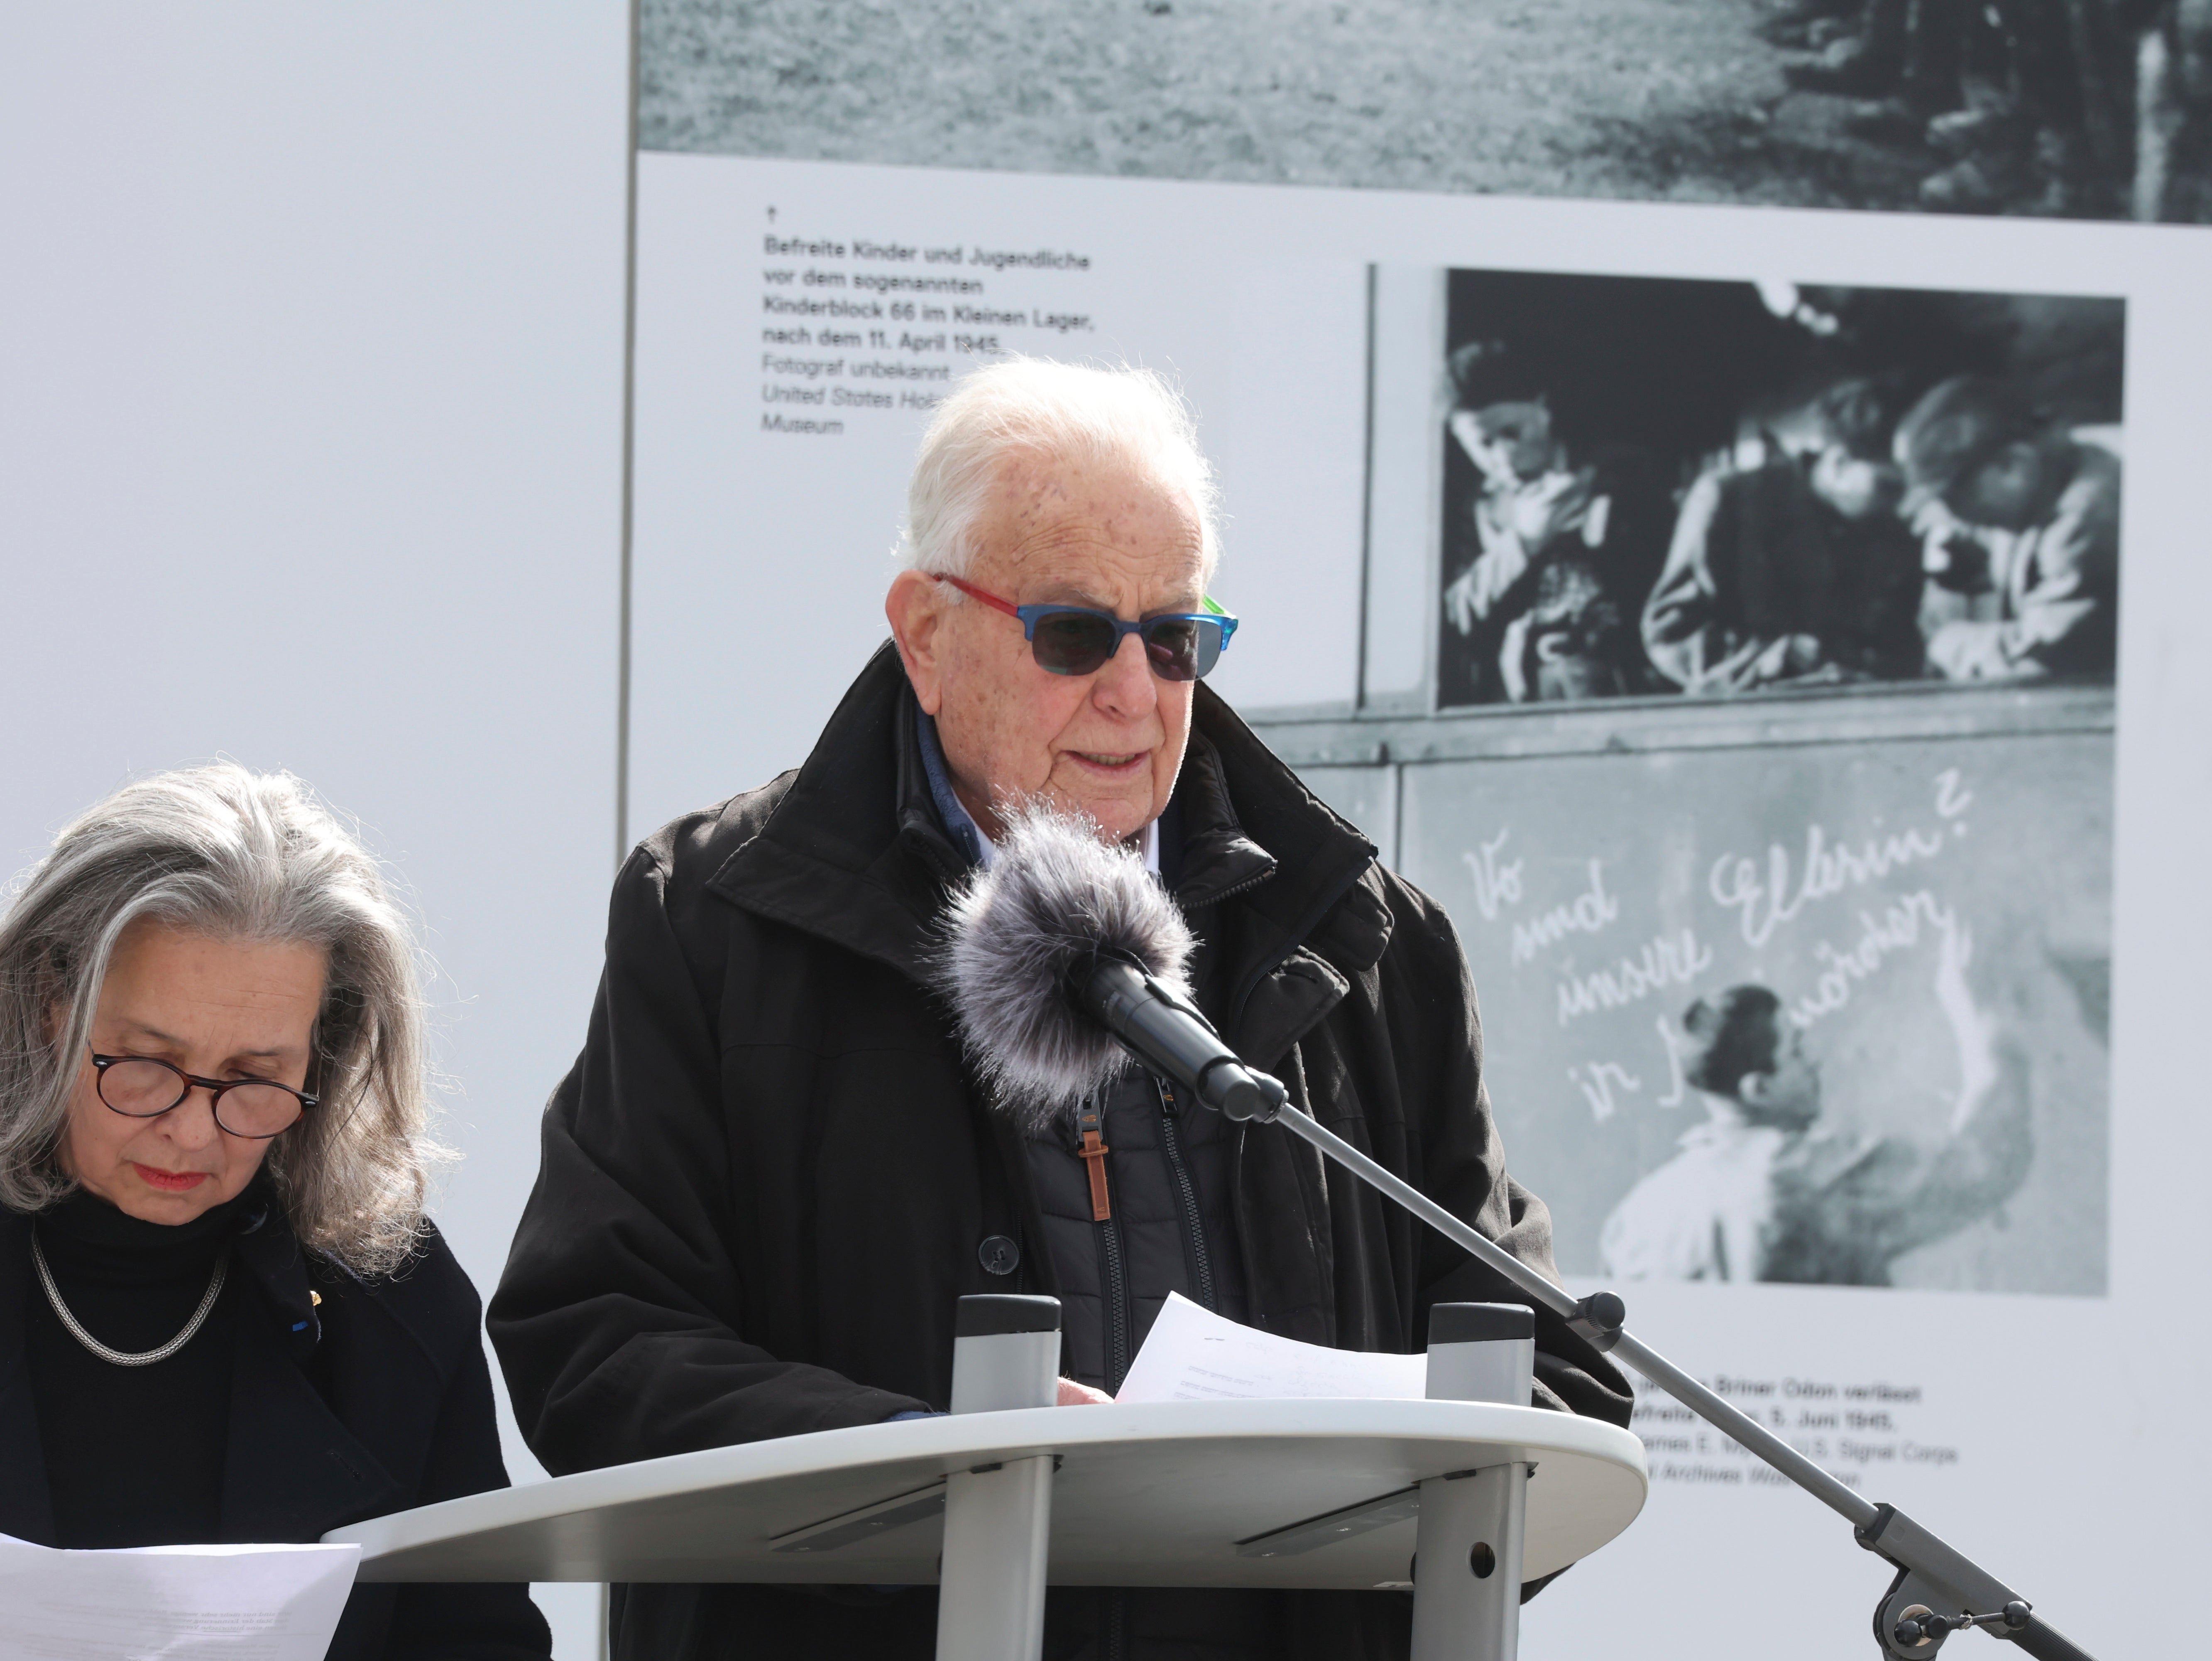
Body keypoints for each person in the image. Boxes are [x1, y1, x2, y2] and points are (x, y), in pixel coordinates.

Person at [490, 358, 1632, 1661]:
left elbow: (1550, 1374)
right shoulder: (718, 918)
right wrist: (932, 1468)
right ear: (926, 635)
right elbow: (593, 1335)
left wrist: (1361, 1491)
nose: (1135, 693)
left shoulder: (1369, 940)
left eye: (1176, 637)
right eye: (1077, 633)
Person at [0, 765, 549, 1661]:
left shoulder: (390, 1298)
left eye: (253, 1080)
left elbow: (474, 1637)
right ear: (49, 1006)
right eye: (145, 1061)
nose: (188, 1129)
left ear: (322, 1060)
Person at [1599, 916, 2029, 1285]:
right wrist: (1981, 1015)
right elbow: (1987, 1164)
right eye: (1797, 1052)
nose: (1814, 1062)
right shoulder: (1801, 1175)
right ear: (1759, 1089)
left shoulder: (1636, 1218)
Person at [1642, 379, 1925, 694]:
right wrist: (1767, 659)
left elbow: (1902, 647)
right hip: (1741, 721)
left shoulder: (1893, 533)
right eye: (1890, 488)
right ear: (1839, 463)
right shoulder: (1733, 500)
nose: (1901, 505)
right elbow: (1671, 632)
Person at [1439, 340, 1667, 703]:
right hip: (1517, 700)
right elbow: (1451, 620)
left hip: (1629, 688)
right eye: (1484, 444)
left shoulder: (1625, 474)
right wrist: (1523, 543)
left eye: (1514, 433)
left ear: (1544, 409)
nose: (1505, 456)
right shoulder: (1471, 511)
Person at [1894, 374, 2120, 681]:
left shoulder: (2081, 527)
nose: (1952, 516)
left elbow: (2037, 662)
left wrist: (1947, 641)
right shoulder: (2050, 479)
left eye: (1955, 498)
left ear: (2013, 466)